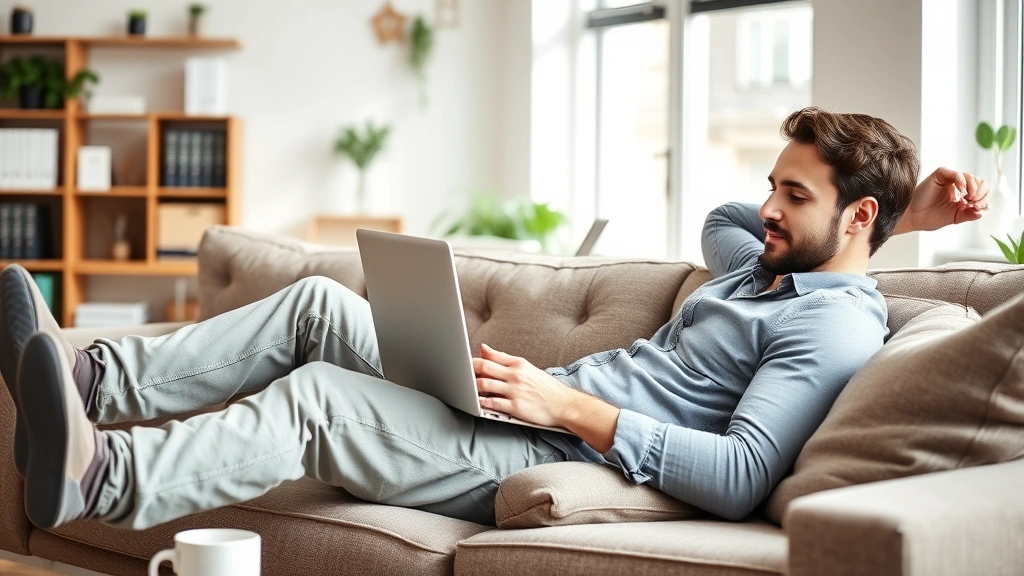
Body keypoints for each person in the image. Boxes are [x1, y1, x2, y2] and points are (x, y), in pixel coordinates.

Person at [0, 107, 988, 530]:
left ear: (854, 216)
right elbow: (721, 220)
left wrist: (570, 407)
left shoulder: (832, 325)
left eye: (797, 196)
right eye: (774, 185)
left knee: (318, 400)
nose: (767, 210)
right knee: (312, 302)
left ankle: (98, 479)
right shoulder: (759, 267)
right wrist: (904, 213)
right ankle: (90, 385)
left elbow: (739, 477)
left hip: (557, 449)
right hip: (523, 406)